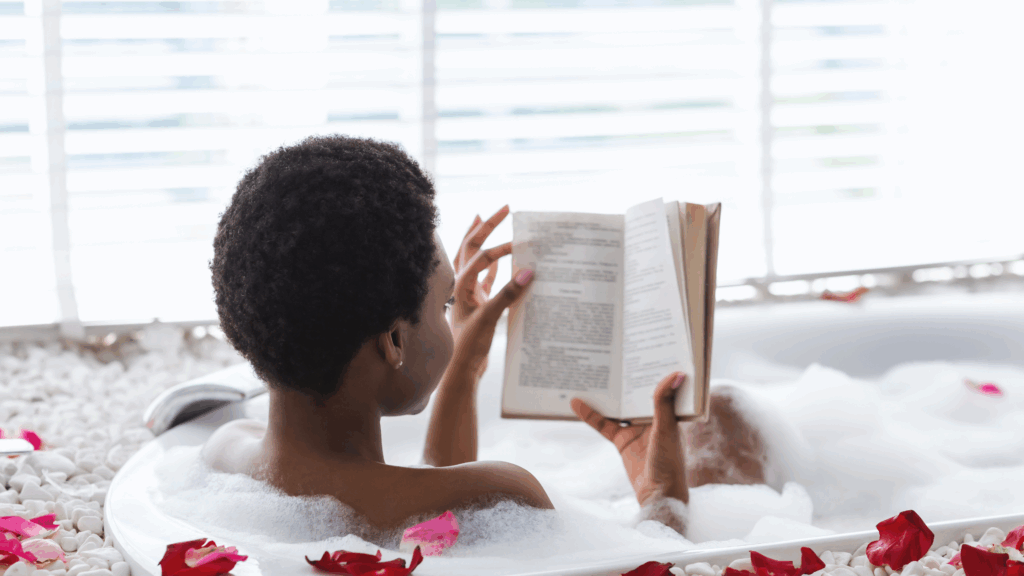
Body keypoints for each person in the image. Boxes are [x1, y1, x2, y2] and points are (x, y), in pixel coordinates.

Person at [200, 135, 767, 544]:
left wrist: (465, 364)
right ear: (394, 341)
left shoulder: (227, 452)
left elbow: (421, 494)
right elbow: (642, 566)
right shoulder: (502, 493)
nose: (452, 317)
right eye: (444, 305)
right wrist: (663, 500)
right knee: (726, 414)